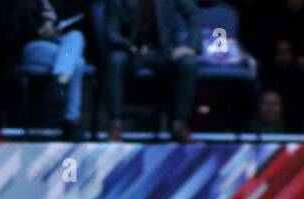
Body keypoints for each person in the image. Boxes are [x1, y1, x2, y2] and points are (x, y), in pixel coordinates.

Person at [102, 0, 201, 142]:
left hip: (163, 51)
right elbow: (110, 32)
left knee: (188, 62)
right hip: (131, 50)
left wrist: (191, 46)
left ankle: (179, 124)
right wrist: (129, 46)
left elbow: (193, 13)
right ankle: (115, 124)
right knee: (115, 60)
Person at [17, 0, 86, 137]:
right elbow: (15, 30)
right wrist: (40, 31)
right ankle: (71, 118)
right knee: (77, 63)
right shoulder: (24, 4)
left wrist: (57, 31)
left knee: (76, 36)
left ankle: (61, 79)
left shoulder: (57, 3)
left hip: (58, 46)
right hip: (34, 45)